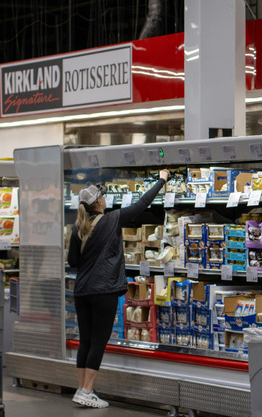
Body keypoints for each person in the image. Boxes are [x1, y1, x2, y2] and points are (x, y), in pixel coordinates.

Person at [67, 170, 170, 408]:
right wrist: (162, 179)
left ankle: (82, 388)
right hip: (103, 290)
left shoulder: (77, 228)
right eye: (102, 197)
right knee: (99, 341)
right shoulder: (112, 219)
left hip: (82, 291)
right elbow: (143, 204)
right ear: (100, 202)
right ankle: (88, 390)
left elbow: (73, 261)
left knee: (86, 340)